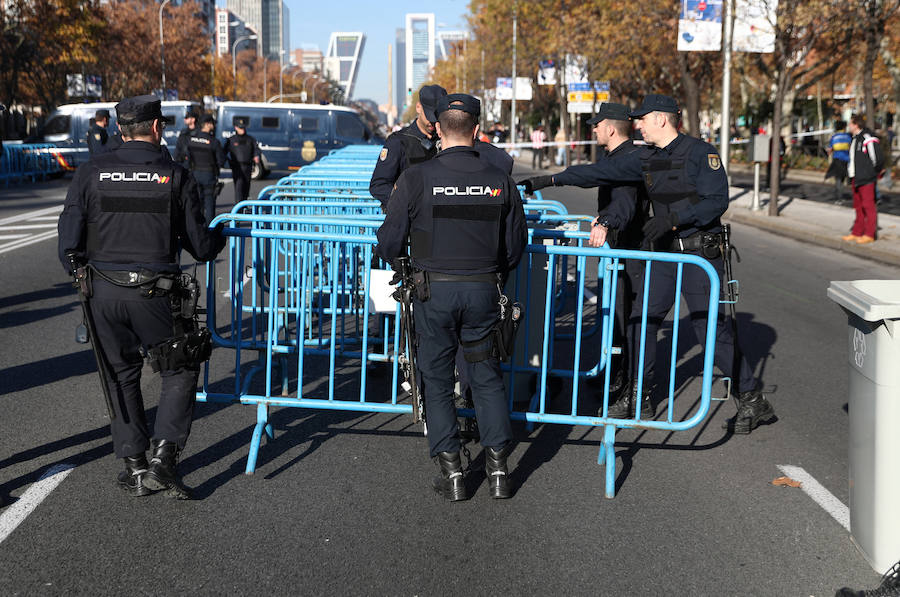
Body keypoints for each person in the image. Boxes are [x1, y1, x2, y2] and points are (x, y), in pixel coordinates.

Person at [520, 94, 776, 434]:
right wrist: (549, 180)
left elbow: (717, 201)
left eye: (642, 119)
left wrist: (673, 219)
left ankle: (751, 398)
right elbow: (598, 171)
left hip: (699, 254)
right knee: (643, 320)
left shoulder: (701, 153)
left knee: (709, 330)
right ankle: (639, 394)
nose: (637, 124)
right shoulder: (646, 158)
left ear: (662, 119)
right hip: (665, 254)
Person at [57, 95, 226, 498]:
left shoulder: (91, 171)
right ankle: (163, 460)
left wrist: (85, 276)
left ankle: (134, 464)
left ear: (119, 128)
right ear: (155, 128)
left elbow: (68, 243)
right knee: (179, 369)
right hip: (155, 292)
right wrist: (219, 236)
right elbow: (201, 246)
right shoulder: (174, 174)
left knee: (119, 374)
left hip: (102, 292)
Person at [375, 93, 528, 501]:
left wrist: (404, 260)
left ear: (439, 129)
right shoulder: (501, 181)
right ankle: (498, 470)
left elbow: (389, 241)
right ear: (477, 131)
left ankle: (454, 473)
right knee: (486, 377)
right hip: (483, 290)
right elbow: (515, 248)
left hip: (432, 294)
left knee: (438, 380)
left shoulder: (416, 178)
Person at [582, 103, 653, 418]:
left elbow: (624, 204)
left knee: (628, 321)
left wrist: (606, 222)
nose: (594, 129)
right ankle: (619, 378)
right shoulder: (615, 157)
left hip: (631, 251)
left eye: (597, 125)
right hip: (619, 249)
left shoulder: (628, 160)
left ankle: (636, 395)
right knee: (616, 318)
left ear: (610, 128)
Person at [369, 84, 446, 208]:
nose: (433, 121)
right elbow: (379, 185)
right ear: (418, 107)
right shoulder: (398, 142)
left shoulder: (447, 140)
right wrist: (405, 203)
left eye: (437, 117)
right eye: (429, 115)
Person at [845, 114, 884, 244]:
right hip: (856, 177)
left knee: (868, 206)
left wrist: (871, 173)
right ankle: (857, 232)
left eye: (850, 123)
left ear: (856, 124)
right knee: (858, 206)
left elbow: (877, 159)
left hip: (866, 178)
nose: (849, 126)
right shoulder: (855, 138)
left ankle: (869, 234)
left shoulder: (868, 138)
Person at [187, 114, 226, 224]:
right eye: (212, 123)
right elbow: (221, 161)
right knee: (209, 205)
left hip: (195, 174)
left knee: (197, 203)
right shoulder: (214, 142)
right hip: (209, 175)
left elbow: (188, 158)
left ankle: (198, 228)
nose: (213, 125)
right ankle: (209, 229)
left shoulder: (191, 139)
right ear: (207, 124)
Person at [225, 117, 261, 206]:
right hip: (237, 167)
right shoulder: (231, 139)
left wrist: (257, 156)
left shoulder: (250, 139)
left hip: (248, 166)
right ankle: (238, 208)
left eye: (243, 128)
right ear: (236, 128)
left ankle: (244, 206)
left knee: (246, 187)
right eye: (240, 128)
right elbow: (223, 152)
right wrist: (228, 162)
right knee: (239, 188)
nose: (242, 130)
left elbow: (256, 149)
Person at [825, 120, 851, 202]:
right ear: (844, 127)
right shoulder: (848, 136)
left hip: (837, 159)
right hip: (846, 160)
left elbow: (830, 149)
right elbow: (850, 147)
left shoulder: (834, 137)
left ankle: (838, 197)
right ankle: (840, 195)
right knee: (842, 178)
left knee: (838, 179)